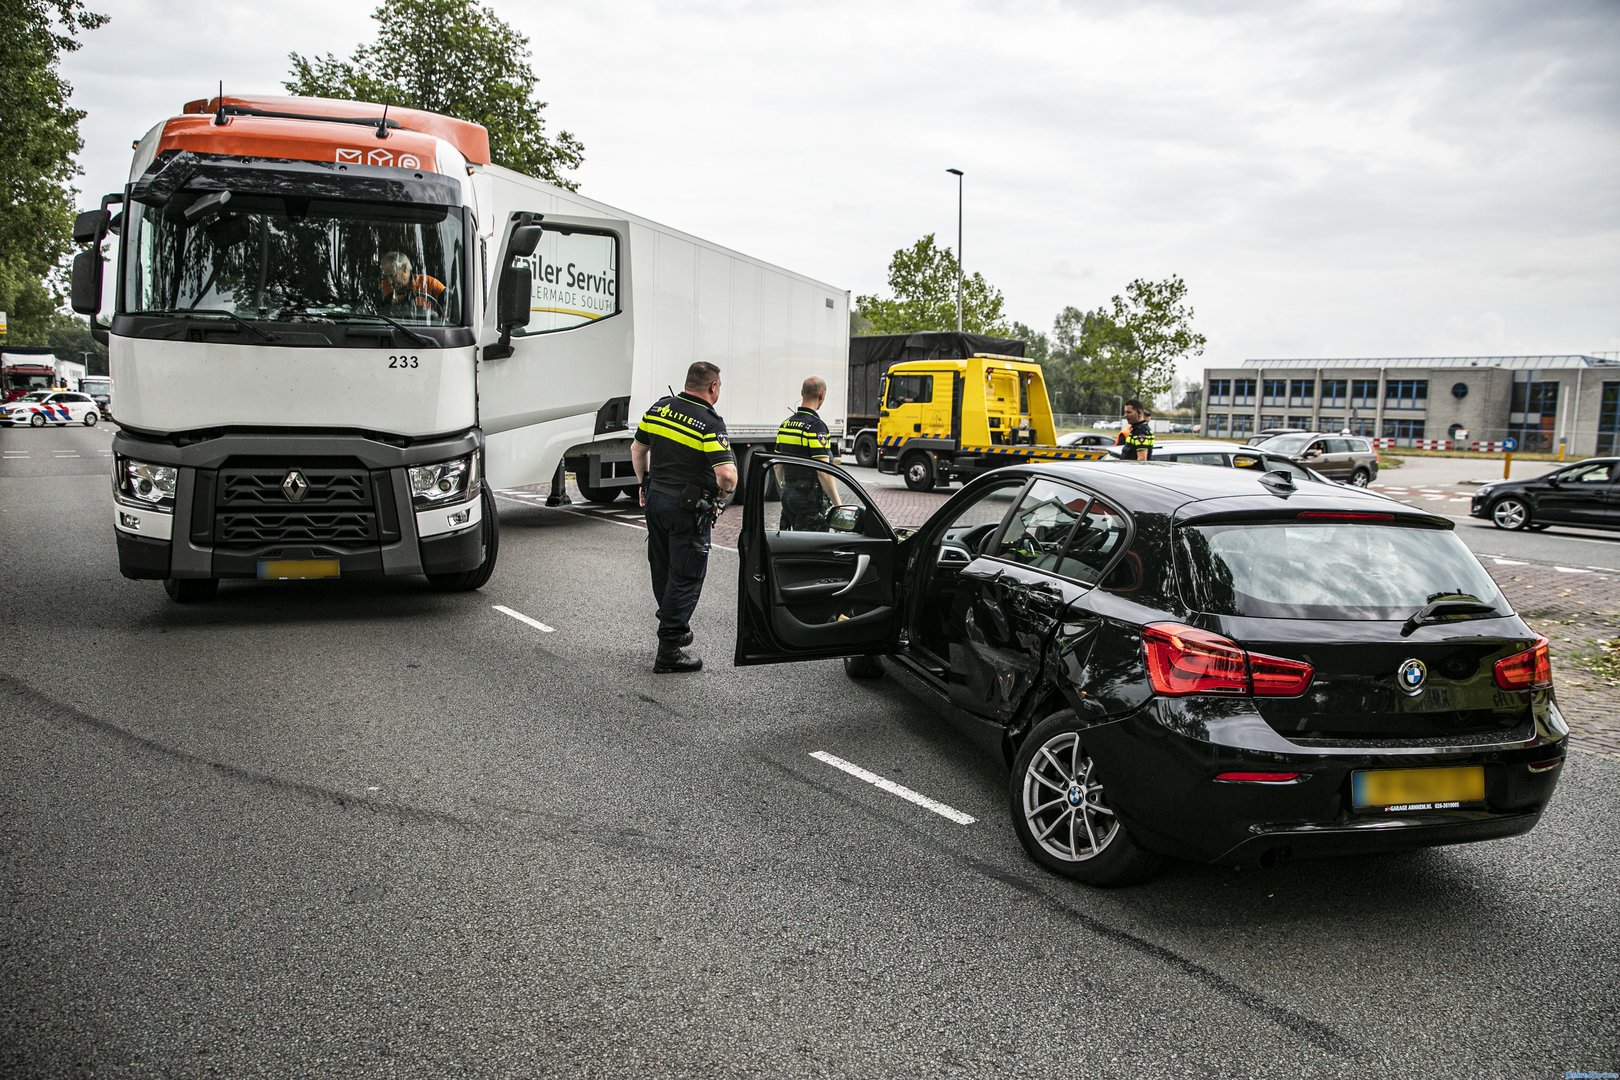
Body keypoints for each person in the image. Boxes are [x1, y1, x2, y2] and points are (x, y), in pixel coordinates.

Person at [630, 362, 738, 673]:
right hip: (687, 509)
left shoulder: (659, 409)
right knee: (687, 575)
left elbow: (637, 449)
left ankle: (672, 623)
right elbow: (727, 476)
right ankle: (670, 648)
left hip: (656, 500)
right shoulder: (709, 423)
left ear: (688, 382)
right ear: (713, 387)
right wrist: (720, 499)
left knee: (662, 567)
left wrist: (642, 483)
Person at [773, 376, 841, 531]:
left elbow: (777, 466)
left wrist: (785, 488)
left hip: (788, 497)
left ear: (802, 393)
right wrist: (838, 506)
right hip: (809, 501)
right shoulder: (816, 427)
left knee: (789, 546)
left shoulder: (785, 425)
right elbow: (823, 472)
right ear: (822, 395)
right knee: (809, 551)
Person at [377, 251, 446, 316]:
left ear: (405, 269)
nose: (390, 282)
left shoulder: (430, 284)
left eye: (393, 276)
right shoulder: (382, 288)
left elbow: (449, 310)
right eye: (386, 276)